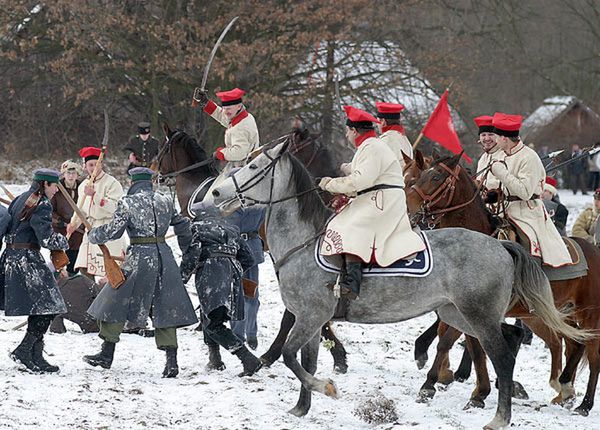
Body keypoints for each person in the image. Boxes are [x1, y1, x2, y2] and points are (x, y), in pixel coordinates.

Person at [82, 167, 197, 378]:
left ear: (133, 182)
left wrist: (94, 234)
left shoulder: (128, 202)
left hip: (139, 258)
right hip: (165, 257)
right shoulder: (164, 201)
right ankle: (171, 362)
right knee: (165, 306)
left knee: (114, 299)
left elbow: (113, 231)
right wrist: (187, 252)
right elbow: (183, 227)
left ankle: (107, 354)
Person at [318, 106, 426, 300]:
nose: (346, 134)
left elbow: (360, 181)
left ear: (353, 130)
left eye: (347, 130)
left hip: (383, 201)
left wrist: (330, 184)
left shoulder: (373, 147)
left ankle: (352, 282)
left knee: (350, 227)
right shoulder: (369, 146)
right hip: (376, 196)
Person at [181, 202, 261, 377]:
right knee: (209, 316)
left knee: (213, 324)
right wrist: (232, 266)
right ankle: (215, 359)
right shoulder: (231, 228)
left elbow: (192, 255)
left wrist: (182, 277)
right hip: (233, 276)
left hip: (211, 274)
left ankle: (248, 359)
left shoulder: (196, 228)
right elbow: (248, 258)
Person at [0, 169, 68, 373]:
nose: (57, 189)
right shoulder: (42, 204)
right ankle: (24, 350)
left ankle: (35, 355)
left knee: (41, 307)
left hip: (11, 257)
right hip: (27, 260)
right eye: (54, 185)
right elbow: (46, 239)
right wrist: (64, 239)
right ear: (45, 184)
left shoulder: (21, 197)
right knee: (50, 305)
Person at [489, 112, 572, 267]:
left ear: (504, 138)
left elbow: (525, 192)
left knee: (527, 244)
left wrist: (501, 172)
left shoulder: (529, 157)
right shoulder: (501, 154)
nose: (494, 140)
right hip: (503, 209)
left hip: (527, 213)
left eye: (496, 137)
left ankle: (531, 278)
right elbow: (496, 182)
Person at [67, 147, 127, 280]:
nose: (93, 167)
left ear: (101, 164)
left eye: (96, 164)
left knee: (110, 272)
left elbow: (115, 208)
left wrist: (95, 195)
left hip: (108, 229)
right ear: (85, 166)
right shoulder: (83, 186)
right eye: (90, 165)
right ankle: (91, 297)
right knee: (84, 267)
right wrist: (74, 224)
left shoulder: (112, 183)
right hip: (90, 228)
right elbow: (80, 210)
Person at [193, 87, 259, 200]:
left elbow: (240, 152)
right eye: (224, 108)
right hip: (238, 166)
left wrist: (220, 154)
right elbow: (222, 116)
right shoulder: (240, 116)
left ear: (238, 106)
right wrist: (206, 103)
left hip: (242, 170)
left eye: (229, 109)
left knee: (212, 196)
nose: (226, 111)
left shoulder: (241, 127)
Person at [227, 204, 265, 351]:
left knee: (245, 294)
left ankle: (244, 333)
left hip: (242, 249)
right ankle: (245, 333)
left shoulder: (230, 204)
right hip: (245, 248)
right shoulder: (258, 204)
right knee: (246, 293)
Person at [51, 160, 83, 275]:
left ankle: (72, 285)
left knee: (74, 265)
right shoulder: (56, 188)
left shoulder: (82, 187)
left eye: (73, 173)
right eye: (68, 173)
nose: (70, 176)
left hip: (79, 233)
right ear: (63, 174)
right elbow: (50, 211)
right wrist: (59, 222)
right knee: (59, 265)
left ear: (77, 174)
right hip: (61, 232)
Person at [473, 115, 506, 205]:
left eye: (490, 134)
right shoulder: (482, 159)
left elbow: (508, 183)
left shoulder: (506, 155)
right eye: (483, 135)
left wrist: (480, 184)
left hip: (504, 207)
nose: (487, 138)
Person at [375, 101, 413, 170]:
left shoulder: (385, 140)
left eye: (377, 121)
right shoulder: (405, 140)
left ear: (383, 121)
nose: (376, 125)